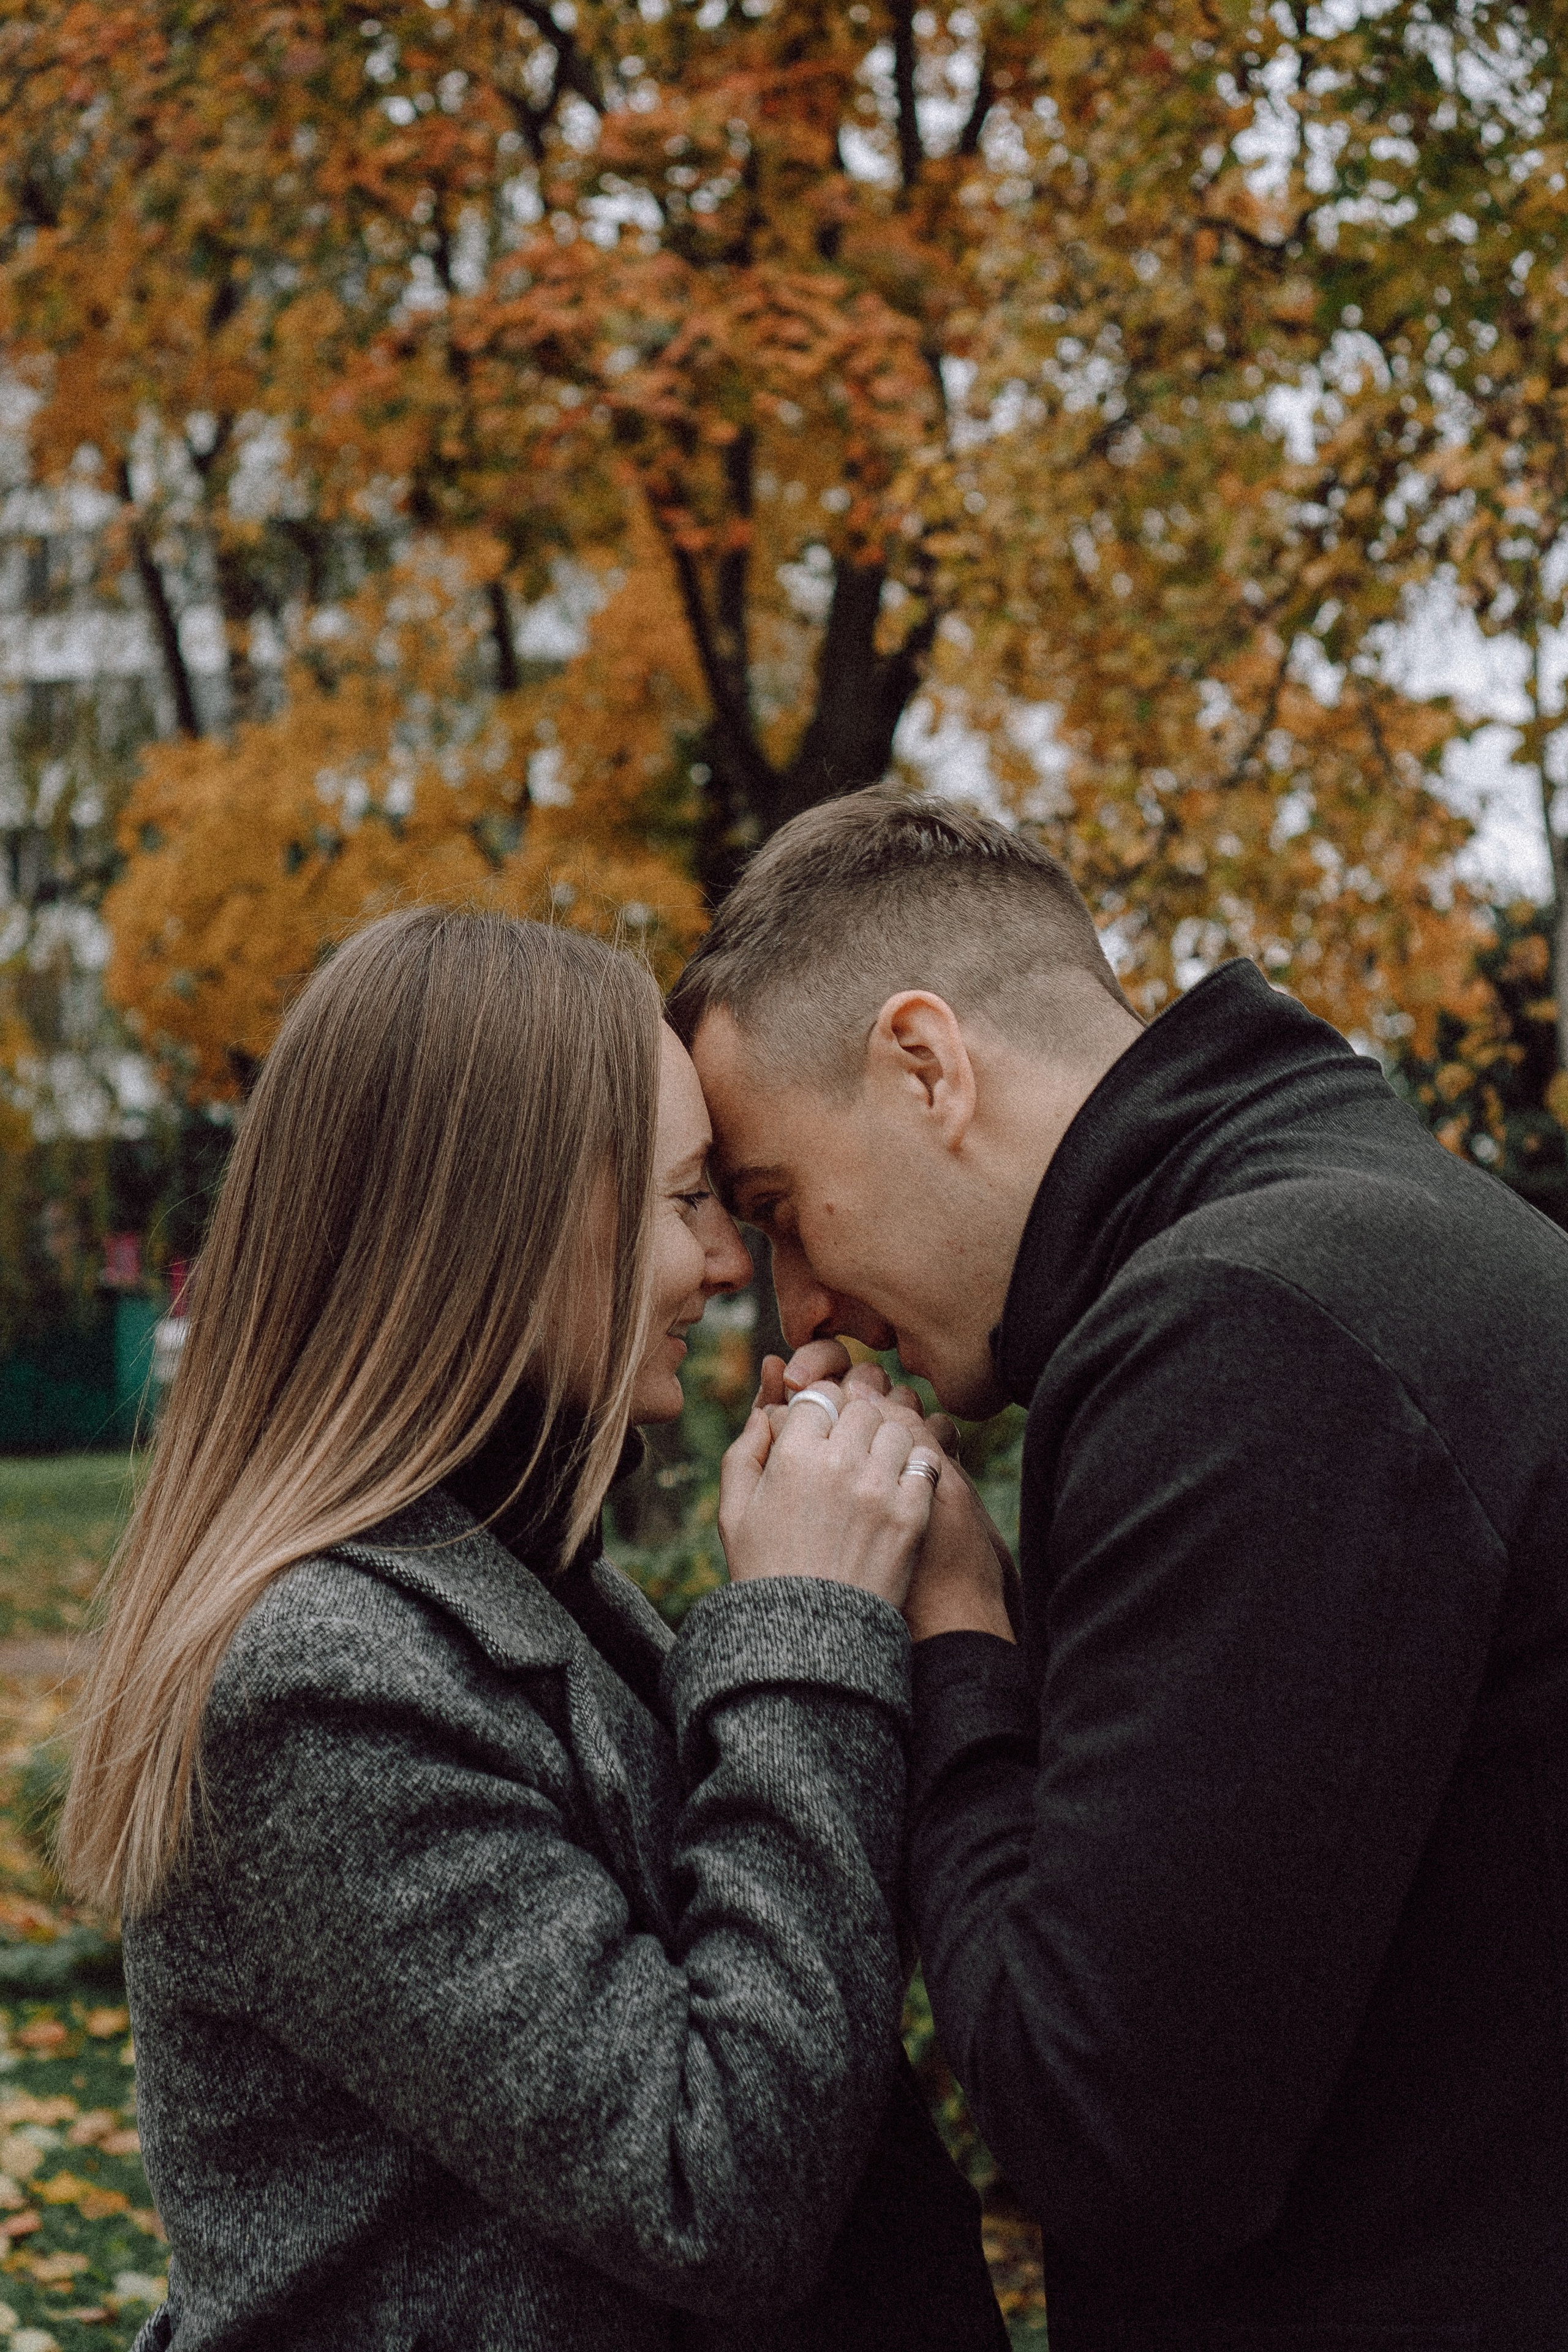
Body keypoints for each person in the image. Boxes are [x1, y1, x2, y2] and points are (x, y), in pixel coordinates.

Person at [669, 783, 1568, 2352]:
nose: (799, 1306)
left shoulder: (1248, 1334)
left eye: (778, 1209)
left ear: (925, 1067)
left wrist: (952, 1630)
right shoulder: (1360, 1240)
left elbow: (1105, 2136)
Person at [61, 907, 1008, 2352]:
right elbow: (717, 2188)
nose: (720, 1268)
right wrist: (804, 1623)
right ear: (502, 1222)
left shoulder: (510, 1582)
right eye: (685, 1201)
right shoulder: (324, 1681)